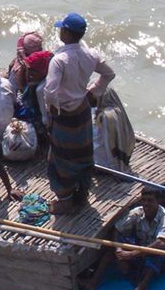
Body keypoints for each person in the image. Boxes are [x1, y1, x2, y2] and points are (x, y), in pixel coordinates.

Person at [41, 12, 117, 216]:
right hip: (82, 110)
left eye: (61, 29)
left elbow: (49, 90)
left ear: (66, 32)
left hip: (65, 114)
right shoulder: (91, 54)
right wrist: (93, 91)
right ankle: (81, 194)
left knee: (61, 157)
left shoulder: (60, 59)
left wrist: (53, 108)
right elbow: (109, 74)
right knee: (82, 154)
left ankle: (65, 200)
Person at [111, 187, 165, 290]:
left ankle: (142, 286)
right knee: (119, 243)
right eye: (143, 200)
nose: (146, 204)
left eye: (150, 200)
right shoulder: (138, 212)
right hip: (144, 251)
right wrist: (118, 250)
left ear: (158, 201)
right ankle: (94, 281)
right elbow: (117, 229)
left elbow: (162, 243)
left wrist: (131, 254)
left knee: (160, 250)